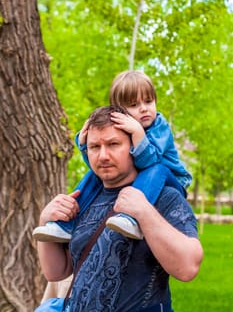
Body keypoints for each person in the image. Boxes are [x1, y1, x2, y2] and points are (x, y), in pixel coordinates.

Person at [36, 105, 203, 312]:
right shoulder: (86, 199)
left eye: (113, 144)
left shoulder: (163, 197)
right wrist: (45, 221)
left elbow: (188, 267)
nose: (103, 155)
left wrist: (144, 212)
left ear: (134, 145)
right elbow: (57, 271)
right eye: (95, 147)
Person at [33, 70, 192, 241]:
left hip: (171, 179)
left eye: (148, 101)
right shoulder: (122, 130)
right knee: (93, 175)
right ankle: (66, 224)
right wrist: (84, 143)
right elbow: (96, 164)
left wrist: (138, 133)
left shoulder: (159, 126)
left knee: (158, 168)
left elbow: (148, 163)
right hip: (143, 178)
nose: (144, 109)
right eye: (134, 105)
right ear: (118, 112)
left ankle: (130, 218)